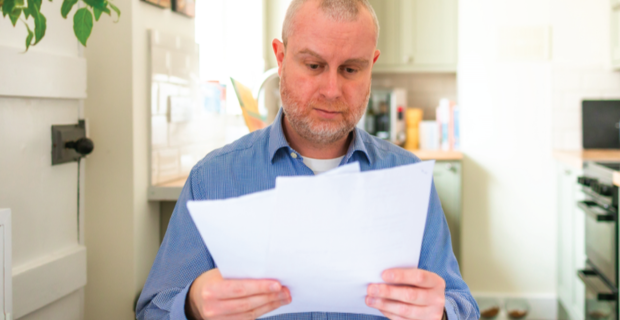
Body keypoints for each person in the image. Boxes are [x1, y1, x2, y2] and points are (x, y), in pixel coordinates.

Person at [136, 0, 479, 319]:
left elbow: (462, 304)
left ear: (371, 66)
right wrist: (194, 304)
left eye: (350, 70)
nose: (331, 90)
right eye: (314, 65)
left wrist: (442, 313)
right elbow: (152, 309)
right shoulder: (212, 178)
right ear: (280, 58)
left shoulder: (405, 177)